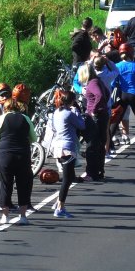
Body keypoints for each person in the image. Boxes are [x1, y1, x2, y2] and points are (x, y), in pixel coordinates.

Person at [0, 84, 35, 225]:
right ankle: (23, 216)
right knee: (23, 183)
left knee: (5, 184)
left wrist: (1, 146)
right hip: (22, 154)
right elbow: (34, 138)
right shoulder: (25, 119)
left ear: (6, 108)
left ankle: (5, 216)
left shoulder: (1, 119)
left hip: (5, 154)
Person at [49, 89, 85, 218]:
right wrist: (77, 113)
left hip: (58, 147)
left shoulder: (56, 113)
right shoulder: (69, 114)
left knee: (70, 177)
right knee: (67, 179)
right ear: (71, 101)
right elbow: (82, 126)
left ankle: (58, 202)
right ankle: (60, 208)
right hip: (67, 148)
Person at [79, 63, 110, 181]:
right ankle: (99, 171)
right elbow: (106, 94)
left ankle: (91, 173)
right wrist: (102, 106)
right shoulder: (98, 81)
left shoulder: (92, 83)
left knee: (92, 145)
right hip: (103, 115)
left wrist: (93, 109)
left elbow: (100, 95)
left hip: (95, 116)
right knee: (100, 145)